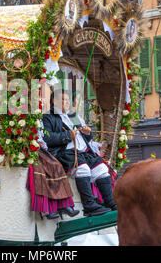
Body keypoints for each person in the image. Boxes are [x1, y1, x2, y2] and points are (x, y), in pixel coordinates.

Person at [42, 89, 117, 217]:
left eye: (67, 100)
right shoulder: (48, 117)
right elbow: (47, 138)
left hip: (84, 153)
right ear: (54, 101)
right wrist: (67, 135)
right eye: (63, 100)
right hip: (65, 153)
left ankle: (110, 202)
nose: (66, 103)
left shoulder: (74, 116)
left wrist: (87, 133)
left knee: (101, 169)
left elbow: (87, 138)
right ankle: (89, 206)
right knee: (83, 169)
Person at [26, 128, 80, 220]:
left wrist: (39, 144)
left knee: (56, 165)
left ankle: (64, 205)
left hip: (38, 149)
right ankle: (46, 209)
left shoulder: (36, 119)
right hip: (27, 149)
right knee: (39, 170)